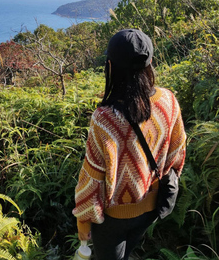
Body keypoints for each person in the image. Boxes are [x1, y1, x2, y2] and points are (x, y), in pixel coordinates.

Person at [72, 29, 187, 260]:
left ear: (111, 66)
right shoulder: (168, 101)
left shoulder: (105, 118)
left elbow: (92, 177)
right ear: (150, 61)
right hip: (152, 208)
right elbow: (178, 152)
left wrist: (83, 221)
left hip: (114, 218)